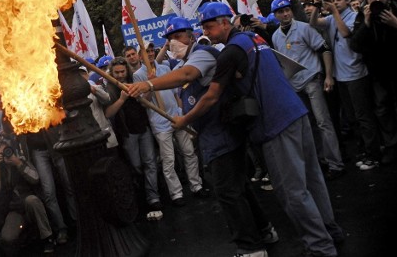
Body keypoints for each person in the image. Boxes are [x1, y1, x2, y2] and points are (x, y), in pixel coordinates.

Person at [172, 2, 344, 257]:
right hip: (296, 113)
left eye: (209, 25)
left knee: (293, 192)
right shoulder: (255, 38)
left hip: (274, 124)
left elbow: (210, 96)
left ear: (224, 22)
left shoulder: (230, 52)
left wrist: (185, 120)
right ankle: (331, 231)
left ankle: (320, 246)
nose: (205, 31)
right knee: (313, 180)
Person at [127, 15, 277, 257]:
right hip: (212, 133)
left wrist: (149, 85)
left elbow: (187, 75)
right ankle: (264, 230)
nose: (174, 42)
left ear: (191, 36)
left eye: (178, 37)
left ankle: (250, 247)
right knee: (239, 187)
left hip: (223, 133)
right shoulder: (185, 59)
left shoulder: (202, 54)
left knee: (228, 192)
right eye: (170, 39)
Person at [270, 0, 346, 180]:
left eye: (288, 9)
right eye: (281, 11)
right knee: (309, 125)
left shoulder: (304, 28)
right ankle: (321, 160)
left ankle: (336, 164)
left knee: (323, 122)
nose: (286, 13)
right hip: (294, 85)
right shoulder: (275, 36)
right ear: (275, 15)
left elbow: (324, 49)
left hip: (312, 79)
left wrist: (328, 76)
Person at [310, 0, 382, 170]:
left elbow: (346, 34)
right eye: (333, 1)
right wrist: (316, 6)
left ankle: (374, 154)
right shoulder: (331, 18)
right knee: (352, 117)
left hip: (356, 73)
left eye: (339, 0)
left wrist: (334, 13)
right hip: (340, 76)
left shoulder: (353, 17)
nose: (335, 3)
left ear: (347, 0)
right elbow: (313, 24)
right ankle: (364, 150)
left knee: (363, 116)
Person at [133, 36, 209, 206]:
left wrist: (180, 110)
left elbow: (175, 92)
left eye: (152, 50)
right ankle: (176, 194)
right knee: (169, 159)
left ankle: (196, 186)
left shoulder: (165, 67)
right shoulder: (138, 75)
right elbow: (142, 101)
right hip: (159, 122)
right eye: (146, 51)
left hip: (176, 115)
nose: (150, 54)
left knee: (189, 152)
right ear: (139, 56)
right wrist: (150, 84)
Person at [349, 0, 397, 164]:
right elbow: (355, 45)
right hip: (379, 70)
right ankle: (392, 145)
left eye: (380, 4)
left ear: (388, 1)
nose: (377, 8)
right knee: (382, 107)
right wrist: (367, 24)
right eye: (372, 4)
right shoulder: (364, 16)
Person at [103, 56, 163, 219]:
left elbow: (146, 102)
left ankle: (154, 197)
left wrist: (148, 89)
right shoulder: (110, 87)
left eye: (122, 71)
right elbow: (108, 113)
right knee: (136, 166)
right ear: (112, 72)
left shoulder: (135, 80)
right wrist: (122, 99)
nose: (120, 75)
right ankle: (141, 197)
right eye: (117, 72)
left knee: (150, 162)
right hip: (128, 132)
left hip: (143, 128)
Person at [0, 136, 54, 255]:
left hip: (28, 203)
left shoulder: (20, 160)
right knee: (7, 237)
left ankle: (47, 238)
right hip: (14, 209)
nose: (4, 156)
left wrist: (18, 163)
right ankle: (26, 239)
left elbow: (35, 178)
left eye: (5, 152)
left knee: (32, 200)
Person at [21, 126, 76, 246]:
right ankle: (61, 229)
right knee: (49, 193)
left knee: (69, 186)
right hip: (38, 151)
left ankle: (76, 221)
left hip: (57, 144)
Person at [78, 65, 119, 150]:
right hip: (90, 139)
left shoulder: (96, 88)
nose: (81, 77)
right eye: (78, 75)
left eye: (83, 74)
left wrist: (94, 91)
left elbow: (107, 99)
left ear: (87, 75)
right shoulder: (75, 96)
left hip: (105, 134)